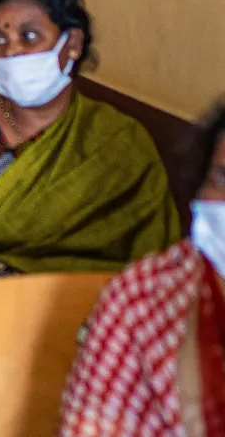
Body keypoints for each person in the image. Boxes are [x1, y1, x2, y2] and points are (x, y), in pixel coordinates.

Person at [0, 0, 177, 436]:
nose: (13, 52)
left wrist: (107, 349)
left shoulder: (120, 141)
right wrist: (14, 345)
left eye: (30, 36)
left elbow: (157, 268)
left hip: (111, 332)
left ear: (71, 43)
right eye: (0, 40)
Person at [61, 102, 225, 435]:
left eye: (29, 44)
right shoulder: (143, 298)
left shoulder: (119, 138)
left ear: (74, 48)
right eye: (223, 178)